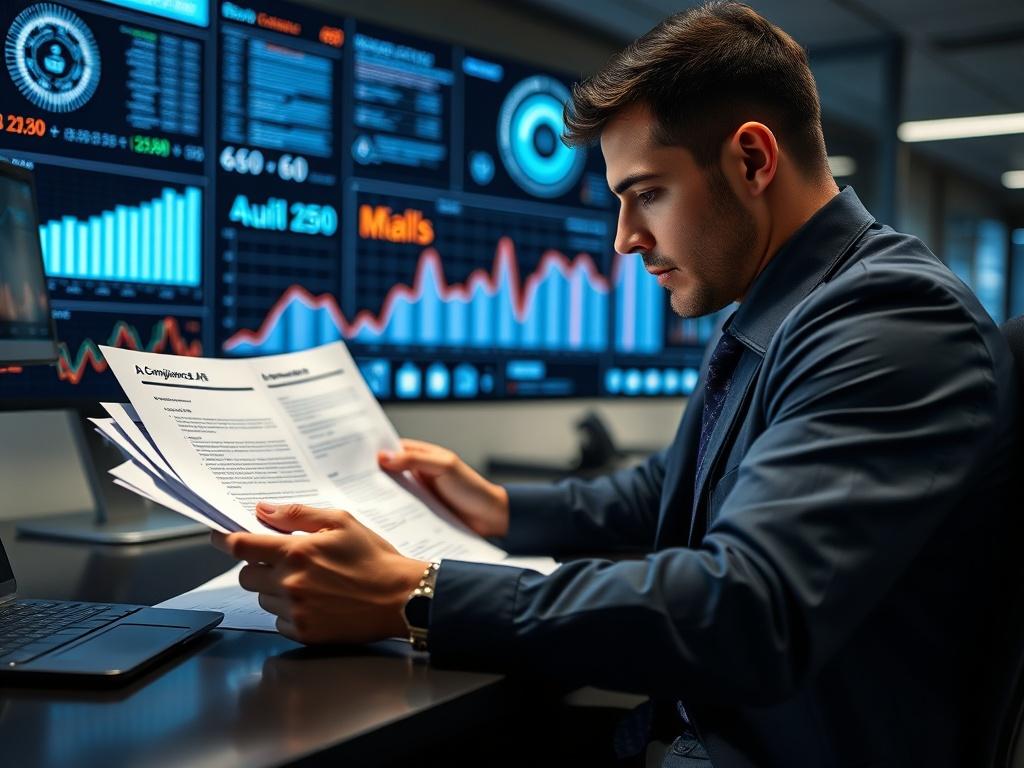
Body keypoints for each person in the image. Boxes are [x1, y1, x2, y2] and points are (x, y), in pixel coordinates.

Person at [212, 3, 1019, 766]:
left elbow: (750, 610)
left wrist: (418, 594)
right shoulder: (788, 305)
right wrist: (498, 508)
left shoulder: (892, 321)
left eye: (646, 195)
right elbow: (674, 488)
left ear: (752, 159)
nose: (625, 240)